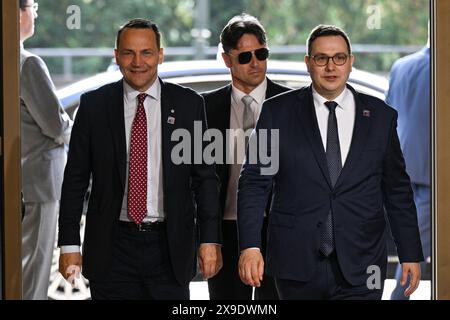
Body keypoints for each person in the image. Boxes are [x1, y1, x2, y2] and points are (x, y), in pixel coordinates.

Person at [237, 24, 424, 300]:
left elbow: (396, 189)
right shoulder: (278, 113)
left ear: (350, 63)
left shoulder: (382, 118)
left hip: (364, 262)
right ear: (308, 63)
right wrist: (250, 246)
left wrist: (409, 252)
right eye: (321, 58)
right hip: (296, 262)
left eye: (339, 58)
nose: (330, 67)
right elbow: (254, 183)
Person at [57, 18, 222, 300]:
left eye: (146, 52)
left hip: (169, 248)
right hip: (112, 248)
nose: (137, 62)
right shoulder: (94, 106)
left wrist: (209, 239)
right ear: (116, 55)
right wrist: (69, 244)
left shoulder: (188, 105)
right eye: (128, 53)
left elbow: (205, 179)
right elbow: (75, 181)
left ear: (160, 54)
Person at [202, 13, 290, 300]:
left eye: (261, 53)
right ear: (227, 60)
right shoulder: (205, 108)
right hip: (226, 233)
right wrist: (208, 237)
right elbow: (199, 181)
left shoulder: (292, 105)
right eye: (244, 57)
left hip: (280, 231)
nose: (255, 63)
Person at [19, 0, 73, 300]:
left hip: (26, 177)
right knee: (36, 265)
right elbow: (55, 125)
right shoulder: (28, 64)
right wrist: (71, 130)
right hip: (40, 181)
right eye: (31, 6)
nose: (35, 12)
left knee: (29, 261)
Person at [386, 46, 430, 300]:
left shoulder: (401, 66)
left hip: (401, 172)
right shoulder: (440, 71)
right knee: (413, 251)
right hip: (430, 177)